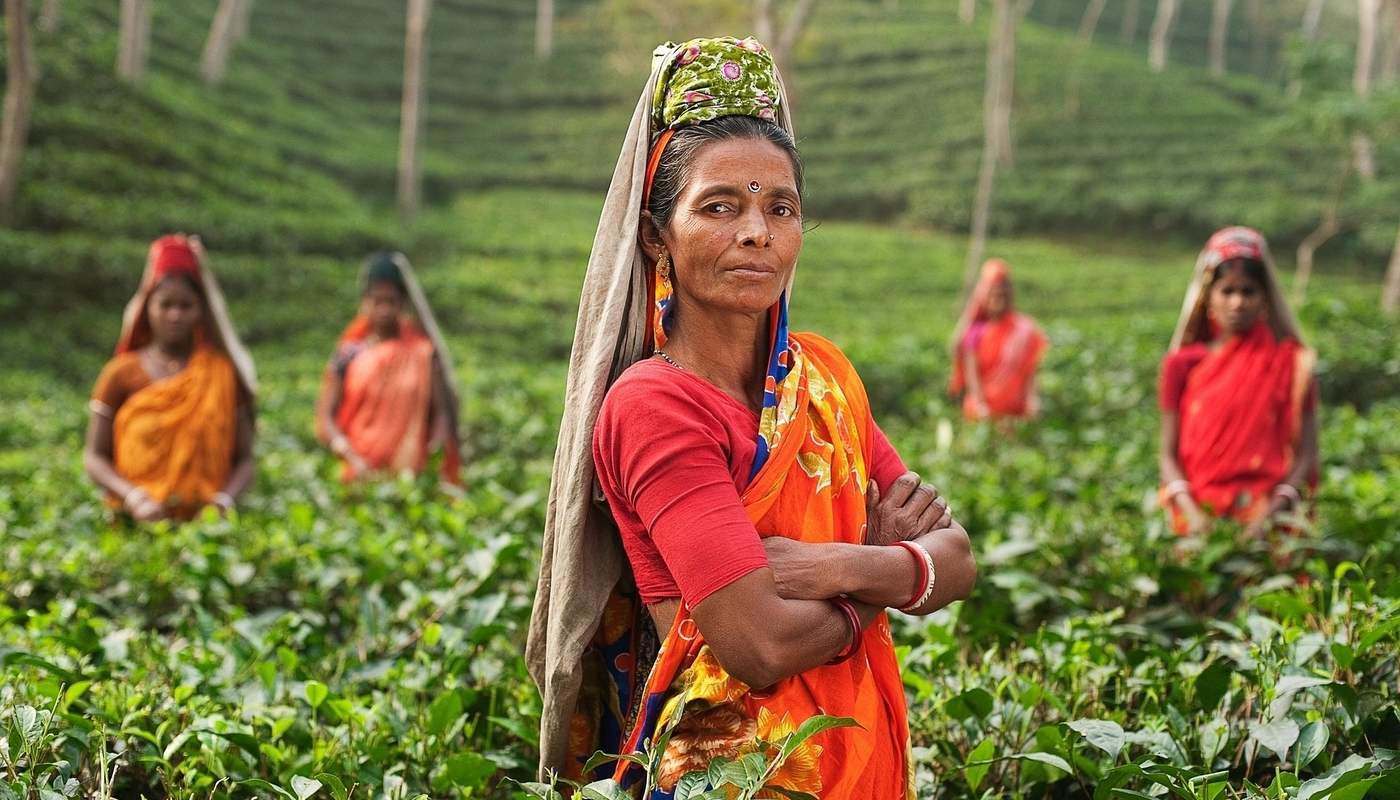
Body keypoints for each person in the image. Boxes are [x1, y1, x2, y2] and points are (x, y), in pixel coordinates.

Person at [526, 37, 977, 798]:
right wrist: (890, 575)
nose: (757, 233)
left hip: (855, 752)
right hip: (733, 772)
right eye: (719, 207)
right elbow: (759, 645)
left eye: (781, 207)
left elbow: (960, 560)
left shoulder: (824, 375)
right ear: (654, 235)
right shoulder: (653, 406)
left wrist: (831, 566)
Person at [1158, 227, 1319, 540]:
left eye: (1248, 291)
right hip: (1197, 517)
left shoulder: (1292, 364)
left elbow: (1307, 455)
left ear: (1264, 299)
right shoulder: (1182, 366)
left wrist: (1270, 515)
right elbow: (1167, 454)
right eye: (1227, 291)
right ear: (1208, 297)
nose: (1237, 303)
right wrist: (1191, 514)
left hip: (1267, 517)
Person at [84, 234, 257, 521]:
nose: (175, 315)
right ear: (148, 307)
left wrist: (223, 502)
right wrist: (133, 497)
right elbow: (94, 457)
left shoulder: (222, 374)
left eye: (185, 305)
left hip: (208, 529)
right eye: (165, 305)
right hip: (134, 522)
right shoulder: (120, 374)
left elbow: (246, 459)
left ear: (201, 310)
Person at [315, 251, 462, 485]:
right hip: (355, 471)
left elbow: (442, 414)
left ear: (402, 303)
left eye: (391, 301)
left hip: (410, 476)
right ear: (365, 303)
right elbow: (325, 417)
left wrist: (435, 455)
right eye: (377, 301)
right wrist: (346, 452)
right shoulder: (348, 354)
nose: (384, 309)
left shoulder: (423, 352)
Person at [948, 258, 1048, 421]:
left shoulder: (1024, 329)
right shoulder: (975, 331)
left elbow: (1031, 372)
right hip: (983, 413)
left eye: (1002, 295)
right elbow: (971, 375)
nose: (997, 300)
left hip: (1017, 413)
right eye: (993, 295)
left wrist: (1033, 401)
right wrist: (981, 406)